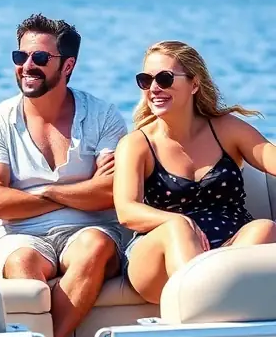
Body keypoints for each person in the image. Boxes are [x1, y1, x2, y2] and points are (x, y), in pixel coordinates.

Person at [0, 14, 127, 337]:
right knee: (23, 261)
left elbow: (111, 191)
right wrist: (79, 191)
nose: (27, 65)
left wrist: (45, 192)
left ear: (67, 65)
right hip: (19, 235)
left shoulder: (103, 116)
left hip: (90, 229)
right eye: (19, 55)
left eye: (40, 57)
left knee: (94, 245)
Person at [114, 40, 276, 304]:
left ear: (195, 84)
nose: (154, 88)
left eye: (164, 78)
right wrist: (173, 220)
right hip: (159, 254)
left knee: (264, 229)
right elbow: (127, 210)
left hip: (229, 249)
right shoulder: (137, 144)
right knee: (177, 229)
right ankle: (198, 306)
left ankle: (219, 303)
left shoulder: (227, 129)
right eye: (146, 80)